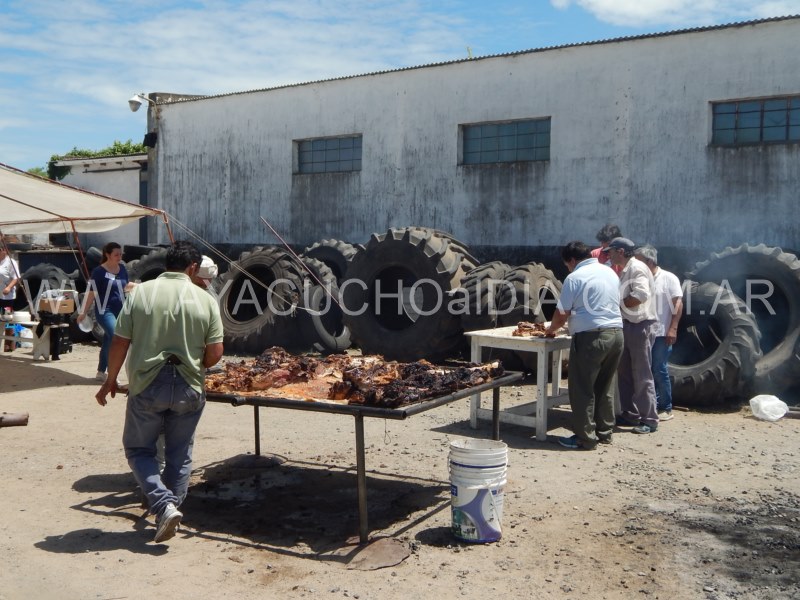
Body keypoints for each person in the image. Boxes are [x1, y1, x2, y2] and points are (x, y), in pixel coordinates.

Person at [95, 241, 224, 543]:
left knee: (139, 450)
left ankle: (164, 506)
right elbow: (215, 354)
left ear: (167, 263)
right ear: (193, 267)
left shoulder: (141, 293)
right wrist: (196, 362)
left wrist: (110, 379)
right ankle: (169, 510)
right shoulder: (205, 300)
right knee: (180, 454)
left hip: (146, 384)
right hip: (189, 386)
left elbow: (119, 341)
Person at [545, 241, 624, 450]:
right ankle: (604, 433)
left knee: (582, 388)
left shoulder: (575, 277)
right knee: (604, 386)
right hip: (616, 334)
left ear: (571, 260)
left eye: (567, 265)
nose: (568, 268)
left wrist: (550, 330)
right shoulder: (609, 272)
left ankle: (585, 438)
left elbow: (561, 314)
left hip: (591, 337)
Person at [603, 237, 660, 434]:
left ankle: (649, 419)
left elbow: (641, 295)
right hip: (630, 324)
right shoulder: (627, 268)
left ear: (620, 251)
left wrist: (620, 305)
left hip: (640, 325)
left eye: (611, 252)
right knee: (625, 372)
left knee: (641, 374)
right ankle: (630, 413)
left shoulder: (636, 268)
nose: (608, 256)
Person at [634, 245, 683, 421]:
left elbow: (677, 304)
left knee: (659, 368)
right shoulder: (639, 279)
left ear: (649, 261)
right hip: (642, 332)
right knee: (644, 370)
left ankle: (665, 407)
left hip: (661, 332)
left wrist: (673, 328)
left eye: (639, 261)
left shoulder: (669, 278)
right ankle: (649, 406)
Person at [77, 242, 136, 381]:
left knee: (109, 340)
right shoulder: (98, 272)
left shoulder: (122, 268)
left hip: (120, 310)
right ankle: (112, 374)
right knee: (117, 337)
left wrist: (142, 286)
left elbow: (125, 285)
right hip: (105, 311)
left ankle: (101, 372)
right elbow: (91, 293)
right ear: (107, 255)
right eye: (116, 255)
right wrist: (83, 312)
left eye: (121, 254)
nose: (119, 257)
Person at [0, 242, 21, 352]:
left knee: (7, 319)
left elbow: (16, 278)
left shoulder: (10, 262)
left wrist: (8, 287)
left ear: (4, 250)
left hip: (7, 297)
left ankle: (9, 345)